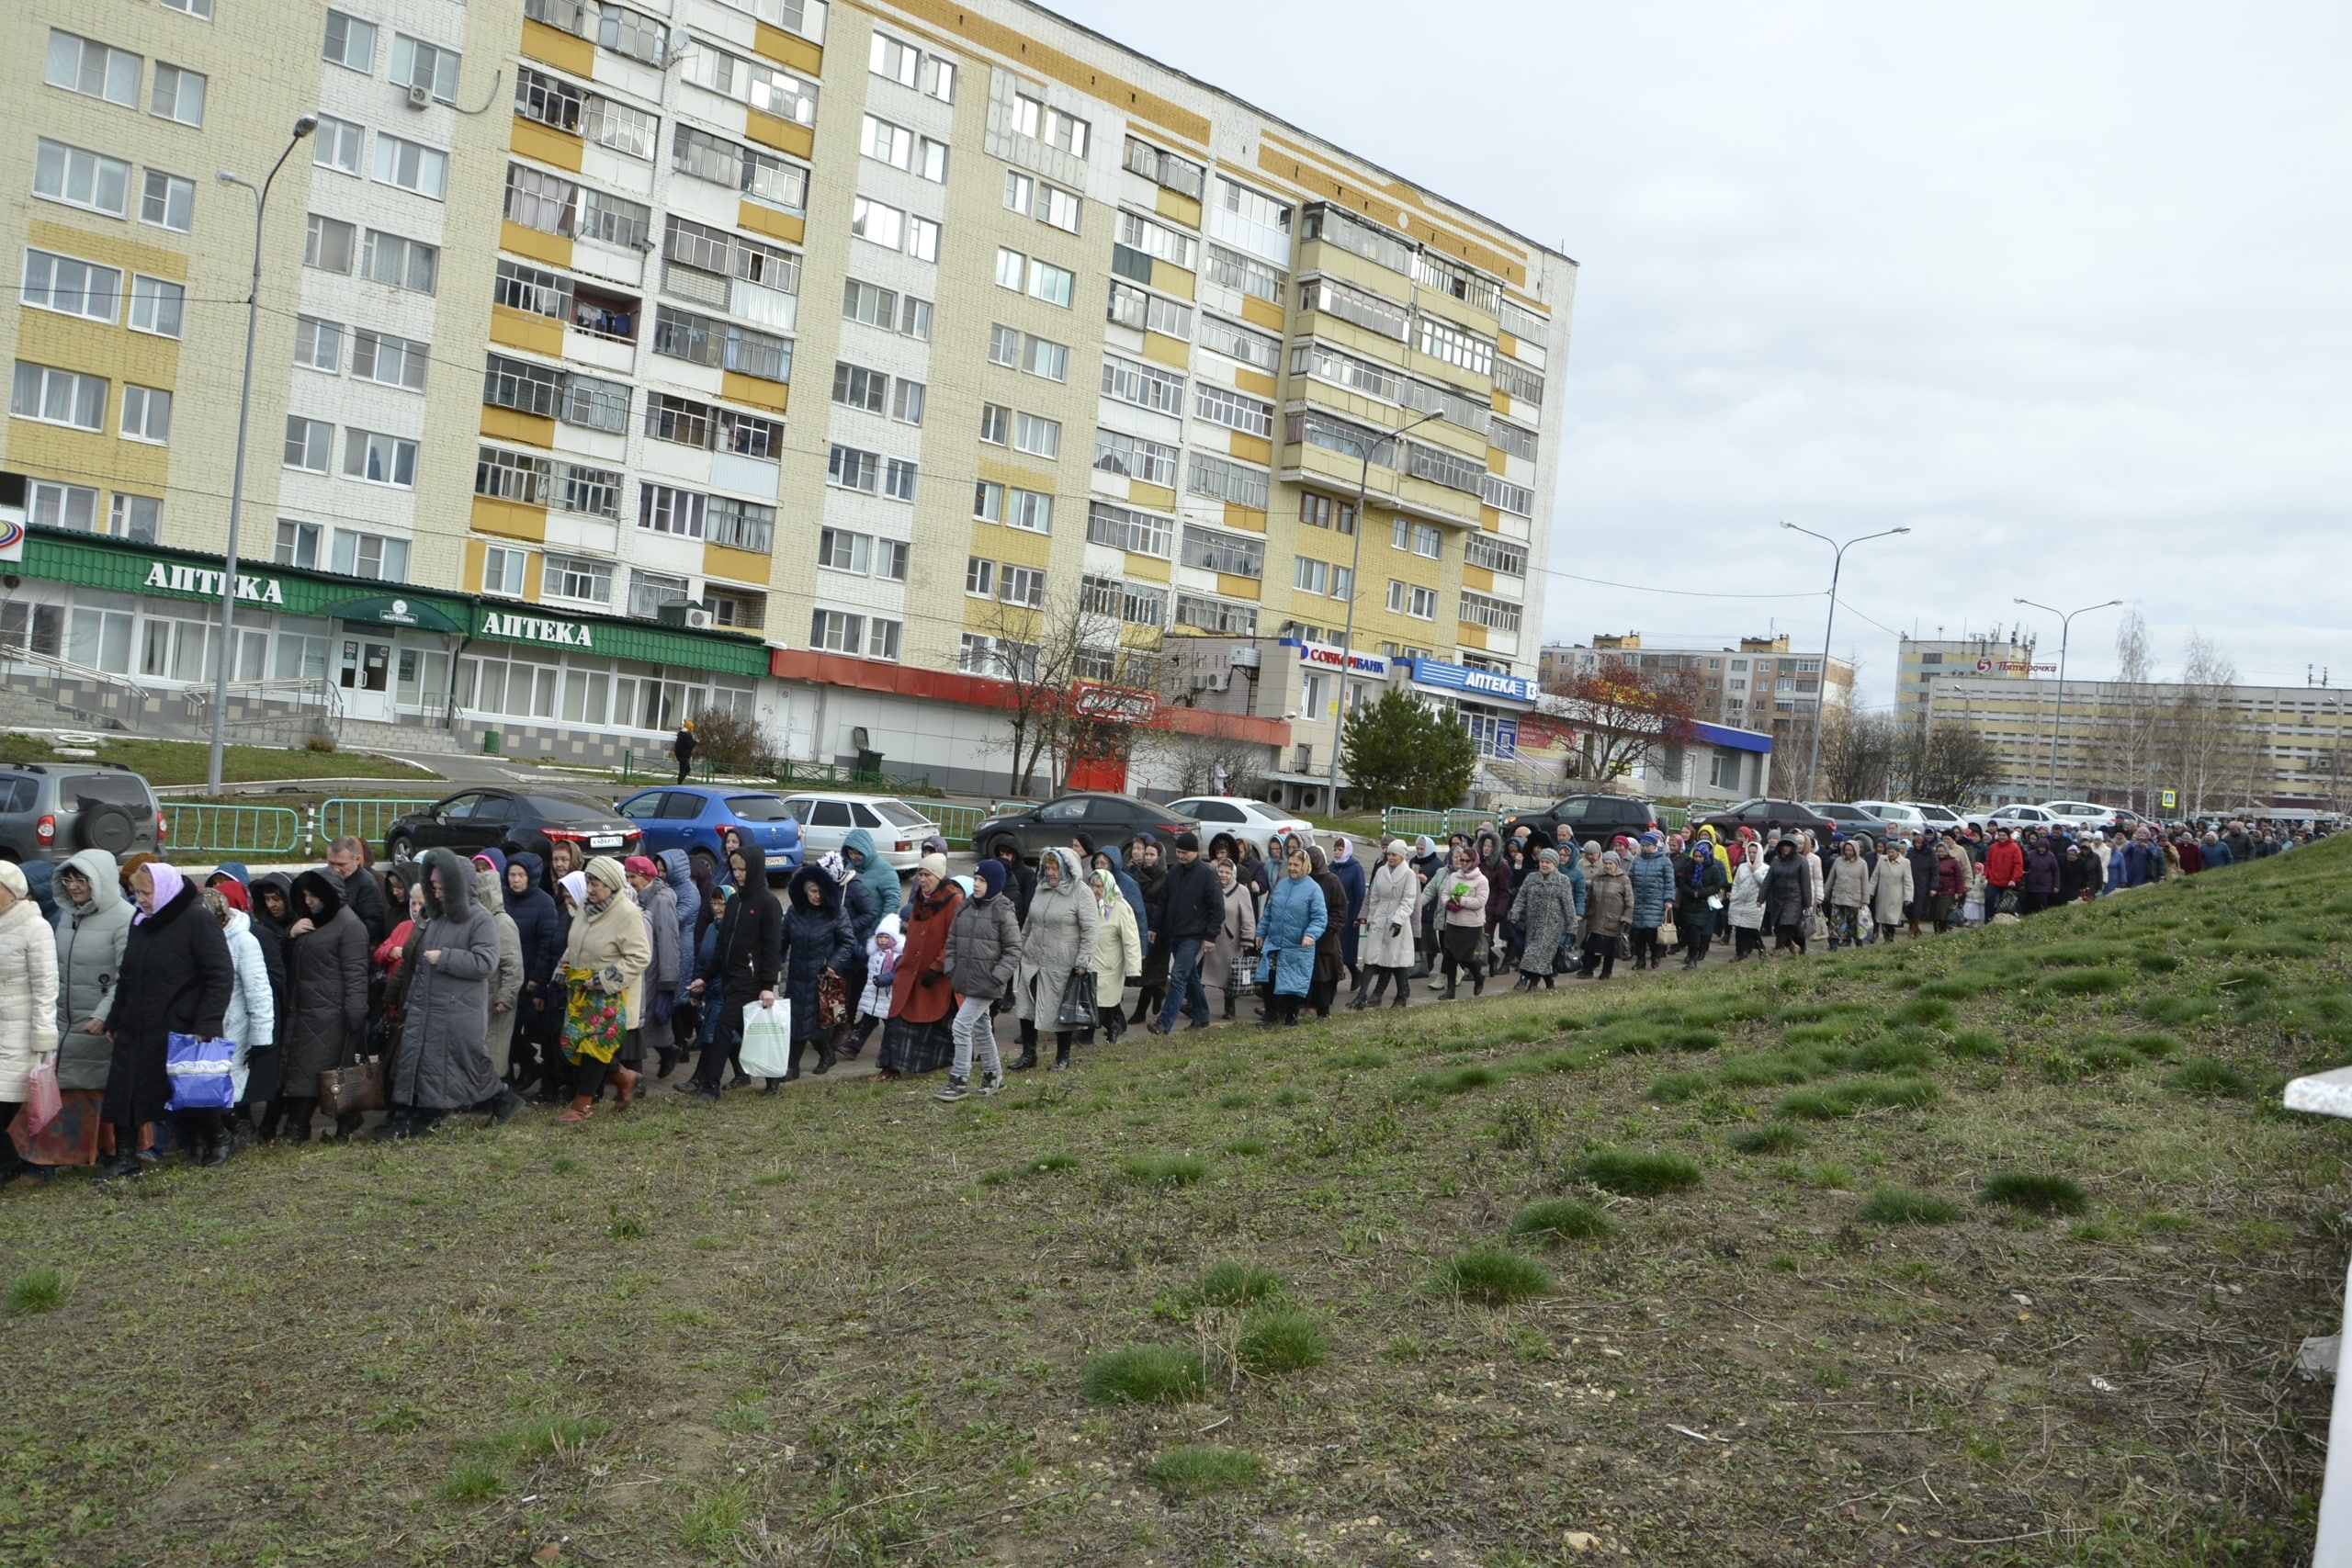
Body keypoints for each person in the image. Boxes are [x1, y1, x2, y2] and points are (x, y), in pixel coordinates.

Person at [98, 863, 232, 1179]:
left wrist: (207, 1023)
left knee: (190, 1088)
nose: (140, 899)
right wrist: (114, 1018)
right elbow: (128, 974)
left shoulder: (197, 920)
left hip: (180, 1023)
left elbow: (219, 974)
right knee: (124, 1089)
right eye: (136, 892)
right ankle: (126, 1156)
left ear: (166, 890)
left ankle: (219, 1138)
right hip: (136, 1022)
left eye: (146, 892)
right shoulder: (141, 921)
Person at [379, 850, 505, 1139]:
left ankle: (433, 1116)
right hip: (429, 1007)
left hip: (457, 1009)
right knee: (426, 1066)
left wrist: (445, 958)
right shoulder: (437, 918)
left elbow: (486, 963)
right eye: (433, 889)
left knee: (456, 1068)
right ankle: (413, 1116)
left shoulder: (480, 919)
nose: (436, 895)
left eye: (440, 889)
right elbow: (420, 964)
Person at [263, 866, 371, 1145]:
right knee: (318, 1072)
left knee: (314, 1073)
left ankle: (296, 1129)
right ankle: (347, 1120)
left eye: (313, 895)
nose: (308, 901)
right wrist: (291, 935)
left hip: (330, 1014)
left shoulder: (350, 926)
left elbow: (356, 974)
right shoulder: (313, 919)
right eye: (305, 895)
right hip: (306, 1009)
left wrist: (355, 1014)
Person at [555, 858, 653, 1122]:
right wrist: (563, 967)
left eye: (595, 883)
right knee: (574, 1042)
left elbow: (640, 956)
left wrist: (603, 979)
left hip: (610, 995)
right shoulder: (587, 906)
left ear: (611, 884)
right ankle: (626, 1078)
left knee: (595, 1046)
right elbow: (576, 943)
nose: (589, 889)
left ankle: (582, 1106)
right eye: (588, 882)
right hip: (581, 992)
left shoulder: (627, 914)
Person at [684, 841, 781, 1100]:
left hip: (751, 982)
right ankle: (773, 1078)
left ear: (756, 870)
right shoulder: (735, 901)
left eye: (743, 869)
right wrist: (705, 976)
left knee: (722, 1029)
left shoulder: (768, 904)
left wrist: (768, 986)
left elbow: (773, 948)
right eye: (734, 868)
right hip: (730, 979)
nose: (737, 874)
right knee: (750, 1034)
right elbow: (722, 946)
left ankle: (710, 1086)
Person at [934, 858, 1022, 1102]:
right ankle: (994, 1075)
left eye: (982, 880)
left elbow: (1014, 949)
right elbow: (952, 941)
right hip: (966, 979)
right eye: (976, 879)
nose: (977, 885)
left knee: (961, 1026)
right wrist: (951, 968)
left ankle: (959, 1079)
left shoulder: (1002, 910)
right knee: (982, 1027)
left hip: (987, 982)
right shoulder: (965, 907)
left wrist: (997, 976)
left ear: (994, 883)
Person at [767, 863, 858, 1081]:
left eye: (820, 891)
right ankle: (824, 1056)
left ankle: (794, 1066)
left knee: (816, 1023)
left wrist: (833, 964)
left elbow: (848, 943)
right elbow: (782, 940)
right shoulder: (794, 912)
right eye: (813, 891)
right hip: (797, 975)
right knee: (798, 1021)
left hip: (822, 978)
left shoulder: (836, 913)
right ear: (804, 891)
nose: (817, 896)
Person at [0, 862, 61, 1185]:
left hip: (20, 1033)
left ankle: (10, 1165)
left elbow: (45, 986)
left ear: (12, 891)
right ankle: (11, 1164)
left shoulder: (36, 928)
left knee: (3, 1107)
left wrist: (42, 1038)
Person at [1012, 848, 1098, 1071]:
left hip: (1062, 962)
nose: (1050, 873)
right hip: (1033, 960)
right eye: (1047, 867)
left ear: (1067, 869)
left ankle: (1062, 1057)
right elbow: (1029, 923)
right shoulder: (1040, 889)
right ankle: (1029, 1054)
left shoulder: (1081, 892)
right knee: (1027, 1006)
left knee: (1061, 1011)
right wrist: (1020, 948)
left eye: (1055, 868)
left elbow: (1090, 929)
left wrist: (1083, 960)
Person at [879, 856, 962, 1080]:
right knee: (898, 1018)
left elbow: (955, 939)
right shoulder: (920, 899)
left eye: (928, 875)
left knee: (934, 1023)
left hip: (936, 978)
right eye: (921, 875)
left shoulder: (954, 900)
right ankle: (890, 1068)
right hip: (910, 973)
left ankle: (938, 1066)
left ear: (939, 876)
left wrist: (938, 966)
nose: (923, 880)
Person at [1148, 833, 1222, 1036]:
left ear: (1195, 852)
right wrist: (1155, 927)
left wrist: (1211, 936)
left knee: (1178, 976)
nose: (1180, 856)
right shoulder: (1173, 874)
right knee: (1190, 977)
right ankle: (1202, 1016)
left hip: (1195, 935)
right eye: (1178, 852)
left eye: (1184, 852)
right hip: (1175, 933)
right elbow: (1163, 903)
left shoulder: (1207, 874)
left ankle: (1164, 1023)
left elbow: (1217, 909)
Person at [503, 853, 564, 1098]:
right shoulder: (503, 897)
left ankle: (528, 1066)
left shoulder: (544, 903)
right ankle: (516, 1072)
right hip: (504, 975)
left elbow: (546, 944)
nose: (516, 880)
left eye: (521, 875)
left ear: (532, 877)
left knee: (516, 1027)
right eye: (511, 875)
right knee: (503, 1030)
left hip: (528, 976)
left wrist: (537, 979)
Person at [1253, 850, 1328, 1027]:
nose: (1292, 869)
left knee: (1293, 982)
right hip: (1275, 943)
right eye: (1290, 865)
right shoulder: (1282, 885)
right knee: (1269, 978)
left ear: (1305, 866)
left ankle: (1290, 1017)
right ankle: (1271, 1016)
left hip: (1297, 946)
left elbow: (1320, 917)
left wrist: (1310, 934)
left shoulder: (1313, 889)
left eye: (1296, 865)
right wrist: (1261, 932)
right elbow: (1269, 911)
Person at [472, 855, 526, 1098]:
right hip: (484, 997)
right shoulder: (482, 922)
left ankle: (497, 1095)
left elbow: (513, 966)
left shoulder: (502, 923)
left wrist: (506, 997)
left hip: (497, 1001)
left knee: (494, 1047)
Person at [624, 856, 680, 1074]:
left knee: (648, 1021)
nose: (629, 881)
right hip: (645, 971)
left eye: (633, 877)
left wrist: (668, 979)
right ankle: (667, 1051)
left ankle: (637, 1068)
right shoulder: (640, 898)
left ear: (645, 878)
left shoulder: (662, 901)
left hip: (656, 972)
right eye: (626, 876)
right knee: (650, 1022)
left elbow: (668, 941)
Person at [1353, 840, 1419, 1010]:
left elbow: (1408, 900)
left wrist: (1398, 920)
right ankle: (1361, 997)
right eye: (1388, 854)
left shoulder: (1409, 874)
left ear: (1402, 856)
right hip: (1380, 919)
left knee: (1396, 960)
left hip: (1398, 921)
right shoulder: (1381, 872)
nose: (1390, 857)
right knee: (1371, 958)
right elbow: (1374, 897)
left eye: (1394, 855)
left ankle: (1401, 996)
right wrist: (1371, 917)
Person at [1508, 848, 1578, 990]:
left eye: (1548, 862)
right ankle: (1548, 982)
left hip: (1551, 926)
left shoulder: (1562, 881)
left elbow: (1568, 905)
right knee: (1542, 958)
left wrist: (1572, 927)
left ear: (1555, 864)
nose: (1544, 865)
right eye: (1542, 862)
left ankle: (1528, 983)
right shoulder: (1531, 878)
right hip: (1532, 925)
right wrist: (1514, 913)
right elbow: (1521, 897)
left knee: (1533, 954)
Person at [1087, 867, 1141, 1042]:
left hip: (1110, 967)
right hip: (1091, 964)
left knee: (1100, 1004)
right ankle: (1113, 1027)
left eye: (1099, 887)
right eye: (1092, 885)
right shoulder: (1088, 906)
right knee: (1102, 1003)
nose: (1095, 890)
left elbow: (1131, 940)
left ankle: (1086, 1038)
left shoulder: (1121, 908)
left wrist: (1133, 970)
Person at [1203, 857, 1259, 1019]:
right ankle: (1194, 1004)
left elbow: (1248, 917)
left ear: (1233, 873)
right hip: (1211, 939)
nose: (1223, 875)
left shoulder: (1242, 891)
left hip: (1230, 943)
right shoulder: (1211, 887)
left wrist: (1248, 939)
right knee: (1202, 974)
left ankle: (1230, 1008)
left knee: (1229, 978)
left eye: (1227, 872)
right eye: (1221, 871)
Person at [1435, 843, 1490, 998]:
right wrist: (1449, 903)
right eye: (1462, 860)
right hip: (1453, 922)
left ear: (1474, 862)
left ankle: (1478, 976)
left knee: (1464, 956)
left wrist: (1462, 901)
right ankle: (1450, 990)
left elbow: (1480, 902)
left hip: (1471, 924)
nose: (1463, 863)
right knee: (1450, 956)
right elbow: (1445, 893)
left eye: (1467, 861)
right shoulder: (1454, 876)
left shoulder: (1481, 880)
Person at [1127, 839, 1170, 1026]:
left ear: (1159, 857)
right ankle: (1157, 991)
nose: (1148, 858)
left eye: (1152, 854)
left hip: (1159, 931)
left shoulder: (1165, 877)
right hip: (1141, 928)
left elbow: (1165, 904)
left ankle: (1140, 1010)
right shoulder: (1137, 874)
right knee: (1144, 971)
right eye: (1147, 854)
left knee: (1153, 970)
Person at [1306, 846, 1350, 1019]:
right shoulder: (1304, 881)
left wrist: (1328, 928)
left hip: (1326, 938)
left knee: (1324, 975)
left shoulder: (1332, 881)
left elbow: (1340, 909)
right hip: (1306, 937)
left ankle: (1323, 1009)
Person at [326, 836, 390, 947]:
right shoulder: (324, 877)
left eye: (342, 865)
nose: (335, 869)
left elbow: (372, 926)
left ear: (358, 860)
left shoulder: (367, 884)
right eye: (331, 864)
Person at [1677, 840, 1730, 968]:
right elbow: (1682, 883)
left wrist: (1701, 893)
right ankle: (1690, 954)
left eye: (1700, 856)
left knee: (1696, 929)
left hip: (1703, 904)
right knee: (1689, 931)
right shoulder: (1689, 867)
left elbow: (1717, 886)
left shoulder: (1713, 869)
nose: (1697, 859)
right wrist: (1691, 892)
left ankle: (1693, 957)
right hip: (1689, 903)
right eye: (1696, 856)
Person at [1579, 851, 1632, 979]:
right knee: (1590, 947)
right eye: (1606, 863)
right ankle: (1587, 970)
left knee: (1609, 949)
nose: (1608, 866)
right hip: (1595, 918)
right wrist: (1585, 913)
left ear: (1616, 864)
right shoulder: (1597, 878)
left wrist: (1626, 918)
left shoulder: (1624, 879)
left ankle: (1606, 972)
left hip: (1613, 920)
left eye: (1611, 863)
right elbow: (1589, 897)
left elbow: (1630, 902)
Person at [1624, 833, 1673, 970]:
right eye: (1643, 846)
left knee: (1652, 932)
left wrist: (1668, 899)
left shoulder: (1664, 861)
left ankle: (1655, 955)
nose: (1645, 848)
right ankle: (1640, 960)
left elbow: (1669, 882)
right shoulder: (1637, 860)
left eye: (1647, 846)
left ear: (1654, 846)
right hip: (1639, 900)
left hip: (1655, 901)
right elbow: (1630, 879)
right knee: (1638, 933)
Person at [1328, 837, 1367, 991]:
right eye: (1336, 849)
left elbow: (1360, 893)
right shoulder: (1331, 867)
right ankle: (1336, 979)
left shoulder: (1355, 867)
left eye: (1340, 849)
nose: (1337, 853)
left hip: (1350, 915)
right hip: (1333, 914)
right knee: (1334, 949)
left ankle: (1354, 973)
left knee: (1347, 949)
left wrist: (1358, 915)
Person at [1764, 840, 1812, 954]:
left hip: (1794, 898)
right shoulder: (1776, 861)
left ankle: (1778, 950)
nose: (1785, 848)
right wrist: (1761, 898)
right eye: (1783, 846)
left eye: (1788, 846)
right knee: (1783, 925)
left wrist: (1807, 903)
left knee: (1786, 924)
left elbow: (1805, 884)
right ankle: (1796, 946)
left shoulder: (1802, 861)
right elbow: (1768, 880)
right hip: (1778, 898)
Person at [1869, 838, 1915, 944]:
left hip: (1896, 896)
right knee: (1882, 918)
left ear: (1898, 852)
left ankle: (1890, 938)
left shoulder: (1905, 862)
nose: (1890, 854)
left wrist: (1908, 897)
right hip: (1882, 895)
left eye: (1892, 852)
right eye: (1888, 852)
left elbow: (1908, 881)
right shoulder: (1882, 860)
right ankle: (1886, 938)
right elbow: (1875, 877)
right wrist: (1870, 892)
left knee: (1891, 919)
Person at [1727, 841, 1769, 960]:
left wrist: (1755, 871)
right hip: (1739, 901)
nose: (1751, 855)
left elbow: (1764, 884)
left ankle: (1761, 947)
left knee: (1752, 928)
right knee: (1739, 927)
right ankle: (1739, 952)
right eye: (1750, 852)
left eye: (1754, 853)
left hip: (1755, 902)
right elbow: (1736, 883)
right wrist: (1734, 896)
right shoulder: (1742, 867)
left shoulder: (1765, 868)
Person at [1826, 840, 1870, 948]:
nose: (1848, 852)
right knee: (1835, 922)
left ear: (1856, 851)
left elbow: (1865, 882)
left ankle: (1858, 943)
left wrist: (1865, 899)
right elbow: (1831, 878)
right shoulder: (1838, 861)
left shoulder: (1862, 863)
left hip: (1855, 898)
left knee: (1854, 923)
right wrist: (1825, 893)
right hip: (1839, 897)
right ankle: (1833, 945)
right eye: (1846, 850)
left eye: (1851, 850)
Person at [1982, 827, 2026, 918]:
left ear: (2008, 836)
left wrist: (2014, 879)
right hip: (1993, 880)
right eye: (2000, 835)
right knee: (1989, 899)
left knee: (2005, 904)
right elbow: (1988, 862)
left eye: (2004, 835)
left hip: (2007, 882)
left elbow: (2018, 865)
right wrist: (1985, 874)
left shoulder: (2015, 848)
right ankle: (1987, 919)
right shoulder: (1993, 847)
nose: (2001, 837)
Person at [673, 718, 696, 784]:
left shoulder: (681, 734)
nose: (692, 729)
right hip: (684, 755)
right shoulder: (686, 735)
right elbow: (690, 744)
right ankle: (680, 782)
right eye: (692, 728)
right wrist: (695, 742)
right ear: (689, 728)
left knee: (685, 769)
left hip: (680, 754)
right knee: (684, 769)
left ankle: (680, 782)